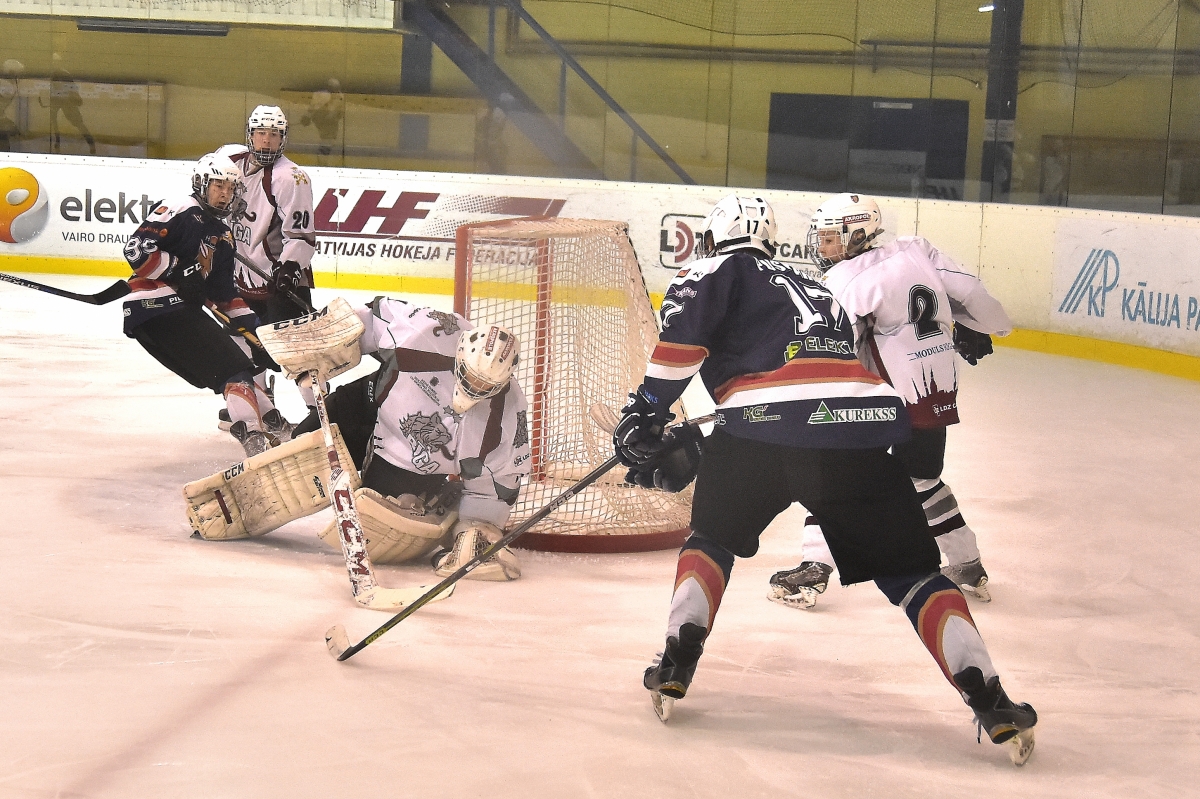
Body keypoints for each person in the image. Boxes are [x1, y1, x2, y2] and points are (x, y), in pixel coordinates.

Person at [614, 195, 1037, 764]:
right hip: (858, 434)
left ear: (712, 239)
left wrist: (645, 411)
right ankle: (991, 699)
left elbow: (683, 344)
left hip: (760, 437)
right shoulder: (818, 287)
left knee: (711, 540)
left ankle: (677, 659)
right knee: (914, 574)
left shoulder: (712, 269)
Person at [768, 193, 1012, 610]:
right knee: (922, 479)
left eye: (829, 238)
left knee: (834, 473)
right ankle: (968, 564)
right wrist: (983, 325)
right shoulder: (916, 249)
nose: (821, 247)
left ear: (857, 234)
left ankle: (814, 568)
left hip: (886, 398)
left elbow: (836, 346)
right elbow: (969, 291)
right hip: (936, 387)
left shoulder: (845, 280)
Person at [267, 298, 533, 580]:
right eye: (470, 375)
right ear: (460, 351)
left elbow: (497, 485)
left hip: (408, 462)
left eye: (486, 385)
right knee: (302, 444)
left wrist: (477, 528)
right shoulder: (428, 331)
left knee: (373, 520)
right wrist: (323, 348)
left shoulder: (506, 416)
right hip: (366, 406)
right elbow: (368, 320)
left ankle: (438, 498)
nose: (473, 387)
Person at [120, 152, 283, 457]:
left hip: (175, 315)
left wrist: (262, 337)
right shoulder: (182, 208)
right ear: (201, 184)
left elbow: (225, 297)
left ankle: (276, 426)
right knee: (235, 370)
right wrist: (178, 270)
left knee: (236, 370)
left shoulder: (223, 235)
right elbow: (136, 251)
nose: (225, 194)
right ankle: (255, 440)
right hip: (156, 306)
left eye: (230, 189)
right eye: (218, 186)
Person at [216, 105, 317, 435]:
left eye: (274, 135)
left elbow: (301, 234)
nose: (267, 141)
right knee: (245, 343)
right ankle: (260, 404)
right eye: (261, 133)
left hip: (280, 278)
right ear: (250, 134)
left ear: (283, 138)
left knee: (297, 353)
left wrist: (290, 268)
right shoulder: (230, 161)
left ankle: (321, 415)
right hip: (240, 276)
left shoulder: (292, 178)